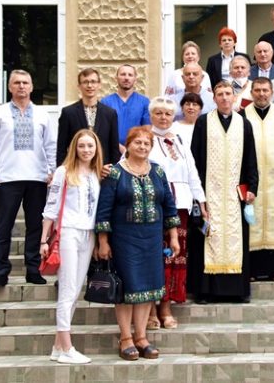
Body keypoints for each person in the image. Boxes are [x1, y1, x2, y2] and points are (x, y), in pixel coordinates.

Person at [96, 127, 180, 361]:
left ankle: (141, 337)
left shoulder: (158, 172)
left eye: (146, 144)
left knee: (147, 288)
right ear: (129, 145)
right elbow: (103, 210)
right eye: (138, 143)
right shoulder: (115, 173)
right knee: (127, 288)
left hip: (152, 237)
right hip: (124, 238)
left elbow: (169, 206)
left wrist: (173, 236)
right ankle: (125, 338)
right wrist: (103, 241)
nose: (142, 147)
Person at [0, 70, 56, 287]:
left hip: (37, 178)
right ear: (10, 87)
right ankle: (1, 272)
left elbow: (50, 145)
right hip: (7, 178)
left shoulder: (42, 114)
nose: (21, 86)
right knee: (4, 226)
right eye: (17, 83)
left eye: (25, 82)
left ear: (32, 87)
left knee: (34, 226)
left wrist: (54, 171)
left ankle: (33, 269)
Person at [189, 81, 259, 303]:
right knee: (208, 236)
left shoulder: (243, 124)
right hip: (209, 193)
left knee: (235, 238)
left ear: (234, 97)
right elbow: (194, 160)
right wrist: (198, 195)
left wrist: (252, 188)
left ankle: (237, 291)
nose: (224, 98)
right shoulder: (203, 123)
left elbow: (251, 159)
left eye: (228, 94)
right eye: (220, 94)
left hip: (235, 194)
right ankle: (205, 291)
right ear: (214, 98)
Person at [40, 129, 102, 364]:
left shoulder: (96, 173)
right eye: (82, 146)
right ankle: (66, 347)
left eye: (90, 146)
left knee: (75, 290)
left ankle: (58, 346)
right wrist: (44, 240)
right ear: (74, 148)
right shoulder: (63, 172)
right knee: (67, 290)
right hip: (67, 233)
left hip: (88, 234)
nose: (86, 150)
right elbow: (51, 207)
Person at [147, 97, 206, 330]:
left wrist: (201, 201)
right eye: (159, 113)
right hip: (153, 205)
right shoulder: (145, 138)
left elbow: (192, 172)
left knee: (174, 257)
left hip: (179, 206)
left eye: (168, 114)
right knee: (154, 258)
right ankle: (150, 309)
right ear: (151, 115)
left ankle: (166, 307)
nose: (163, 118)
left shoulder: (179, 139)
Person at [241, 78, 274, 281]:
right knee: (251, 219)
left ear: (272, 92)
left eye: (265, 90)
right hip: (250, 178)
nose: (261, 94)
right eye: (257, 90)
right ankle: (252, 270)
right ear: (251, 93)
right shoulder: (243, 116)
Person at [57, 68, 120, 173]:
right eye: (85, 82)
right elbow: (61, 148)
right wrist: (62, 172)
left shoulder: (110, 114)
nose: (89, 85)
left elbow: (114, 148)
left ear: (99, 85)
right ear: (79, 86)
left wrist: (112, 171)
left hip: (103, 172)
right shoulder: (68, 113)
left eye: (93, 82)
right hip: (76, 171)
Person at [101, 64, 151, 154]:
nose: (126, 78)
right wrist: (121, 148)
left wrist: (133, 148)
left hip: (137, 151)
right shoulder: (106, 102)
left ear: (135, 79)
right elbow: (104, 131)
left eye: (130, 75)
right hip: (111, 151)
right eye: (123, 74)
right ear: (116, 78)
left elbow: (146, 130)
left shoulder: (144, 102)